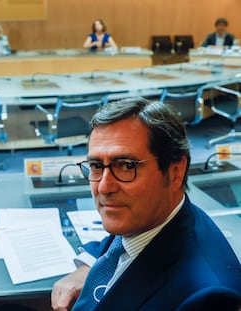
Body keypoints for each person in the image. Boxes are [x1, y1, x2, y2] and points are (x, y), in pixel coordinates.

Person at [51, 98, 241, 311]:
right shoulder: (152, 217)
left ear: (175, 171)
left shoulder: (206, 298)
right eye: (96, 165)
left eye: (126, 166)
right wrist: (89, 265)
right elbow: (120, 242)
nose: (104, 187)